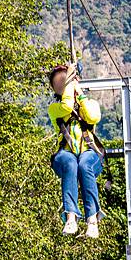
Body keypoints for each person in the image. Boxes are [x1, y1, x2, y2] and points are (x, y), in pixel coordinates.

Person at [48, 63, 105, 238]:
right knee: (71, 163)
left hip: (89, 151)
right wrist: (69, 84)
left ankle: (92, 219)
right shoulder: (55, 109)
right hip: (66, 152)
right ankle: (70, 216)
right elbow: (66, 106)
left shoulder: (90, 104)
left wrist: (77, 91)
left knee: (84, 165)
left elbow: (92, 116)